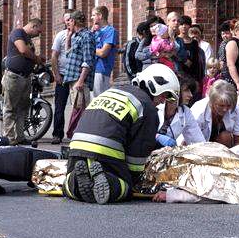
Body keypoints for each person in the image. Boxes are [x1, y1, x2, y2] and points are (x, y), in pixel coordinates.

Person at [64, 64, 180, 204]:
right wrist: (133, 178)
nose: (162, 101)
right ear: (153, 86)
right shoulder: (147, 107)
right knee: (125, 187)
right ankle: (108, 180)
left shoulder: (112, 91)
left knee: (68, 187)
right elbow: (137, 152)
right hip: (106, 153)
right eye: (164, 95)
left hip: (76, 148)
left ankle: (72, 181)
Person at [2, 17, 44, 145]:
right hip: (14, 76)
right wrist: (36, 58)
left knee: (23, 108)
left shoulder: (28, 38)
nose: (39, 34)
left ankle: (20, 137)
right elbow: (23, 50)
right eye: (39, 31)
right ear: (33, 26)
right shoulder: (18, 33)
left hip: (25, 77)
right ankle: (9, 138)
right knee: (10, 108)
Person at [61, 10, 96, 138]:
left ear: (74, 21)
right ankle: (75, 135)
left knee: (80, 109)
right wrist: (69, 37)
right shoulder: (76, 36)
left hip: (79, 79)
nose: (67, 23)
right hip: (72, 78)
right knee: (77, 107)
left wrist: (81, 81)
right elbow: (68, 54)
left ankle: (79, 136)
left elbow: (88, 61)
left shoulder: (87, 36)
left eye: (69, 20)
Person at [190, 80, 239, 148]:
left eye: (228, 105)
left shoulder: (235, 109)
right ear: (212, 101)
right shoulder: (199, 110)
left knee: (225, 137)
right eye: (221, 105)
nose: (225, 109)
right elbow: (190, 140)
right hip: (198, 146)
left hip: (221, 146)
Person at [156, 76, 205, 147]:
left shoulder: (186, 113)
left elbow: (198, 140)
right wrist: (157, 136)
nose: (190, 95)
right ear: (175, 91)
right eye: (186, 90)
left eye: (191, 91)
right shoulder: (157, 105)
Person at [50, 11, 73, 143]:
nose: (68, 21)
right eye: (66, 20)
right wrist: (56, 74)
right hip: (63, 75)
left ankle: (75, 133)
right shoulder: (60, 35)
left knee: (78, 106)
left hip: (76, 74)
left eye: (70, 19)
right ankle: (57, 134)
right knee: (60, 106)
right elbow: (54, 56)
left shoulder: (80, 35)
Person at [91, 5, 118, 97]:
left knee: (98, 99)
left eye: (94, 15)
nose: (92, 18)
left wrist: (90, 50)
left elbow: (103, 53)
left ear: (100, 16)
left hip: (101, 69)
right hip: (91, 69)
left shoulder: (110, 31)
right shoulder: (95, 31)